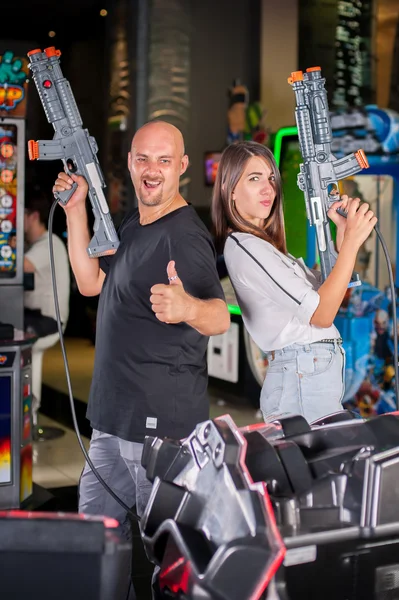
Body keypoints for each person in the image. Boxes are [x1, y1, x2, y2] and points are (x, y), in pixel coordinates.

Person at [52, 120, 230, 599]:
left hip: (160, 426)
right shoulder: (134, 221)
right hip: (112, 419)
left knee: (166, 553)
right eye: (143, 159)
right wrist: (75, 210)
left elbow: (219, 317)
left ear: (183, 167)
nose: (152, 171)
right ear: (130, 162)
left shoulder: (185, 235)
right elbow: (91, 282)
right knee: (98, 541)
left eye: (164, 161)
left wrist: (187, 307)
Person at [211, 141, 377, 424]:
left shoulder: (266, 248)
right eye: (254, 179)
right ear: (230, 190)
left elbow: (329, 294)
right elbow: (322, 314)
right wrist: (351, 243)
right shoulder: (245, 246)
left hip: (306, 374)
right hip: (301, 375)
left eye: (271, 179)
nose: (268, 189)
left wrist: (341, 241)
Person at [24, 189, 70, 425]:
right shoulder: (42, 244)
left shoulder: (47, 243)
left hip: (48, 322)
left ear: (33, 216)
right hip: (39, 317)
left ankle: (26, 415)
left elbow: (20, 267)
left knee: (13, 340)